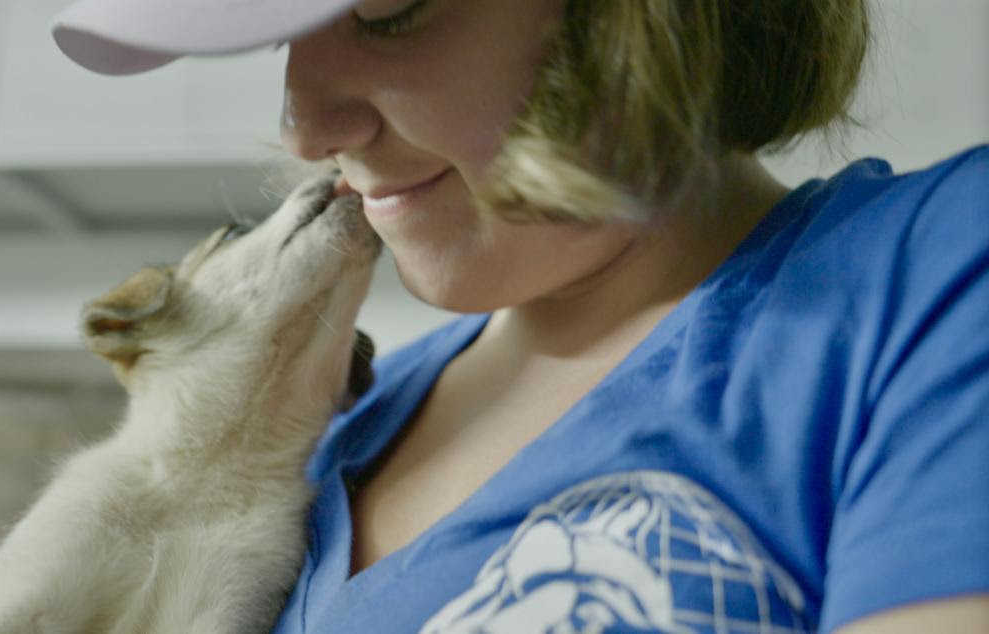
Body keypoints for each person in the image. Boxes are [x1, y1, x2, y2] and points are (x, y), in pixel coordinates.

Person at [49, 1, 988, 632]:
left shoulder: (937, 274)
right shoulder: (320, 439)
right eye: (274, 35)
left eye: (386, 11)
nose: (305, 127)